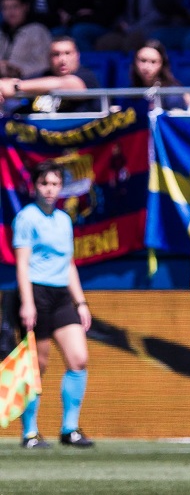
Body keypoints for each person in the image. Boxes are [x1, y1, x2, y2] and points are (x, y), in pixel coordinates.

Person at [12, 161, 94, 449]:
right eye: (44, 183)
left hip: (61, 296)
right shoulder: (26, 218)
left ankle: (69, 429)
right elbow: (21, 265)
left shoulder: (63, 219)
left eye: (55, 184)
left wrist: (80, 302)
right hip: (36, 293)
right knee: (37, 366)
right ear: (34, 186)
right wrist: (27, 303)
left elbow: (68, 263)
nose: (50, 189)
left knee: (78, 358)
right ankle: (30, 433)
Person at [0, 37, 102, 114]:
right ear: (48, 57)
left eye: (67, 53)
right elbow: (7, 85)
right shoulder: (41, 76)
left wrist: (17, 87)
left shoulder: (86, 76)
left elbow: (65, 84)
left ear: (77, 55)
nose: (62, 60)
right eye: (56, 54)